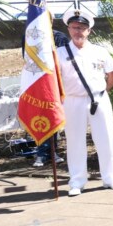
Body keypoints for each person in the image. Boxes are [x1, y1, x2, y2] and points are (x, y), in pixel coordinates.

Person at [56, 7, 113, 197]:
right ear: (69, 29)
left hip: (99, 99)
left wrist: (103, 92)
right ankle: (77, 182)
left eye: (82, 28)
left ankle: (111, 179)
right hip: (72, 101)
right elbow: (54, 80)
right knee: (75, 141)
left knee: (106, 139)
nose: (78, 31)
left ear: (89, 30)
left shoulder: (99, 51)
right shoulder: (60, 53)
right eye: (74, 27)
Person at [32, 30, 69, 167]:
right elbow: (28, 58)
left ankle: (52, 152)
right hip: (37, 82)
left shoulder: (59, 37)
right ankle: (42, 153)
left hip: (55, 83)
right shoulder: (29, 34)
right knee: (40, 118)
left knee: (52, 117)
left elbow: (63, 60)